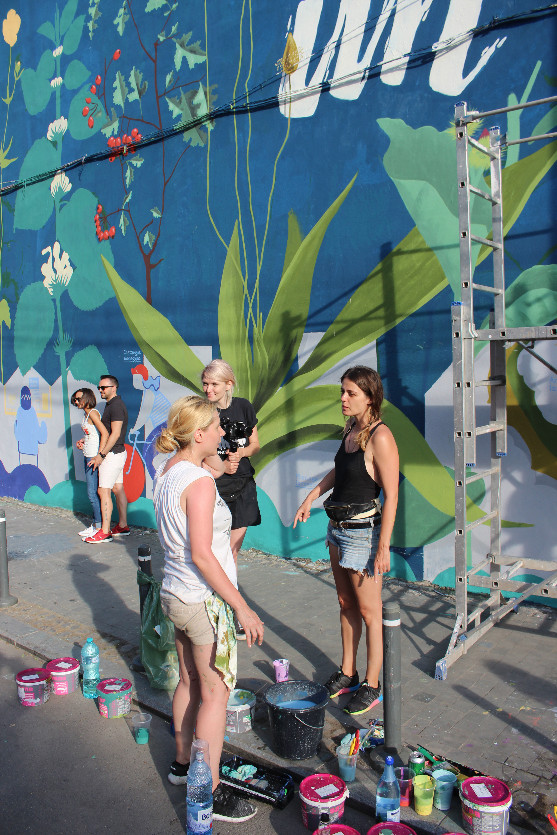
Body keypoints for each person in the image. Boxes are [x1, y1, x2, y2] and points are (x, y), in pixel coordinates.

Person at [153, 396, 263, 823]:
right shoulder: (198, 484)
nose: (224, 431)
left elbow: (214, 467)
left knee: (188, 682)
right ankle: (208, 791)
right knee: (215, 694)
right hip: (202, 601)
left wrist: (224, 458)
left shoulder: (172, 470)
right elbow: (202, 554)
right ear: (198, 434)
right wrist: (243, 608)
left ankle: (183, 765)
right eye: (216, 427)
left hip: (175, 595)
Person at [293, 366, 399, 716]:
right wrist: (313, 494)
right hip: (337, 528)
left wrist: (383, 546)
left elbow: (392, 494)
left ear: (370, 397)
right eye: (342, 391)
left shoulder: (380, 436)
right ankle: (348, 673)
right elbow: (341, 470)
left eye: (350, 392)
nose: (343, 398)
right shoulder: (352, 428)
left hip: (362, 535)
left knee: (370, 611)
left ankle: (372, 684)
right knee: (344, 603)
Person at [201, 360, 261, 639]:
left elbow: (255, 444)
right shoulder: (202, 412)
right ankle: (215, 607)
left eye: (214, 384)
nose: (208, 389)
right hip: (215, 487)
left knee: (232, 552)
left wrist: (240, 455)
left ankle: (231, 610)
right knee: (214, 551)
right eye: (205, 383)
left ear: (229, 384)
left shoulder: (244, 407)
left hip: (243, 485)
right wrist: (220, 465)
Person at [84, 375, 129, 544]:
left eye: (104, 387)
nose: (101, 390)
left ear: (114, 388)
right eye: (99, 387)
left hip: (112, 455)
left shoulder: (116, 406)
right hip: (117, 453)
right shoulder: (112, 405)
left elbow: (115, 433)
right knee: (117, 488)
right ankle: (123, 526)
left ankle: (105, 531)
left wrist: (101, 455)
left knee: (103, 491)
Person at [71, 388, 109, 539]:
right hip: (87, 455)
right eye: (75, 399)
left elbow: (104, 433)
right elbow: (92, 434)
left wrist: (99, 455)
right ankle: (95, 525)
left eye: (78, 398)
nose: (76, 402)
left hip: (92, 457)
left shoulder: (92, 413)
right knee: (92, 492)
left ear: (87, 398)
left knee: (92, 493)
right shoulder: (86, 414)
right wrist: (83, 441)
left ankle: (98, 526)